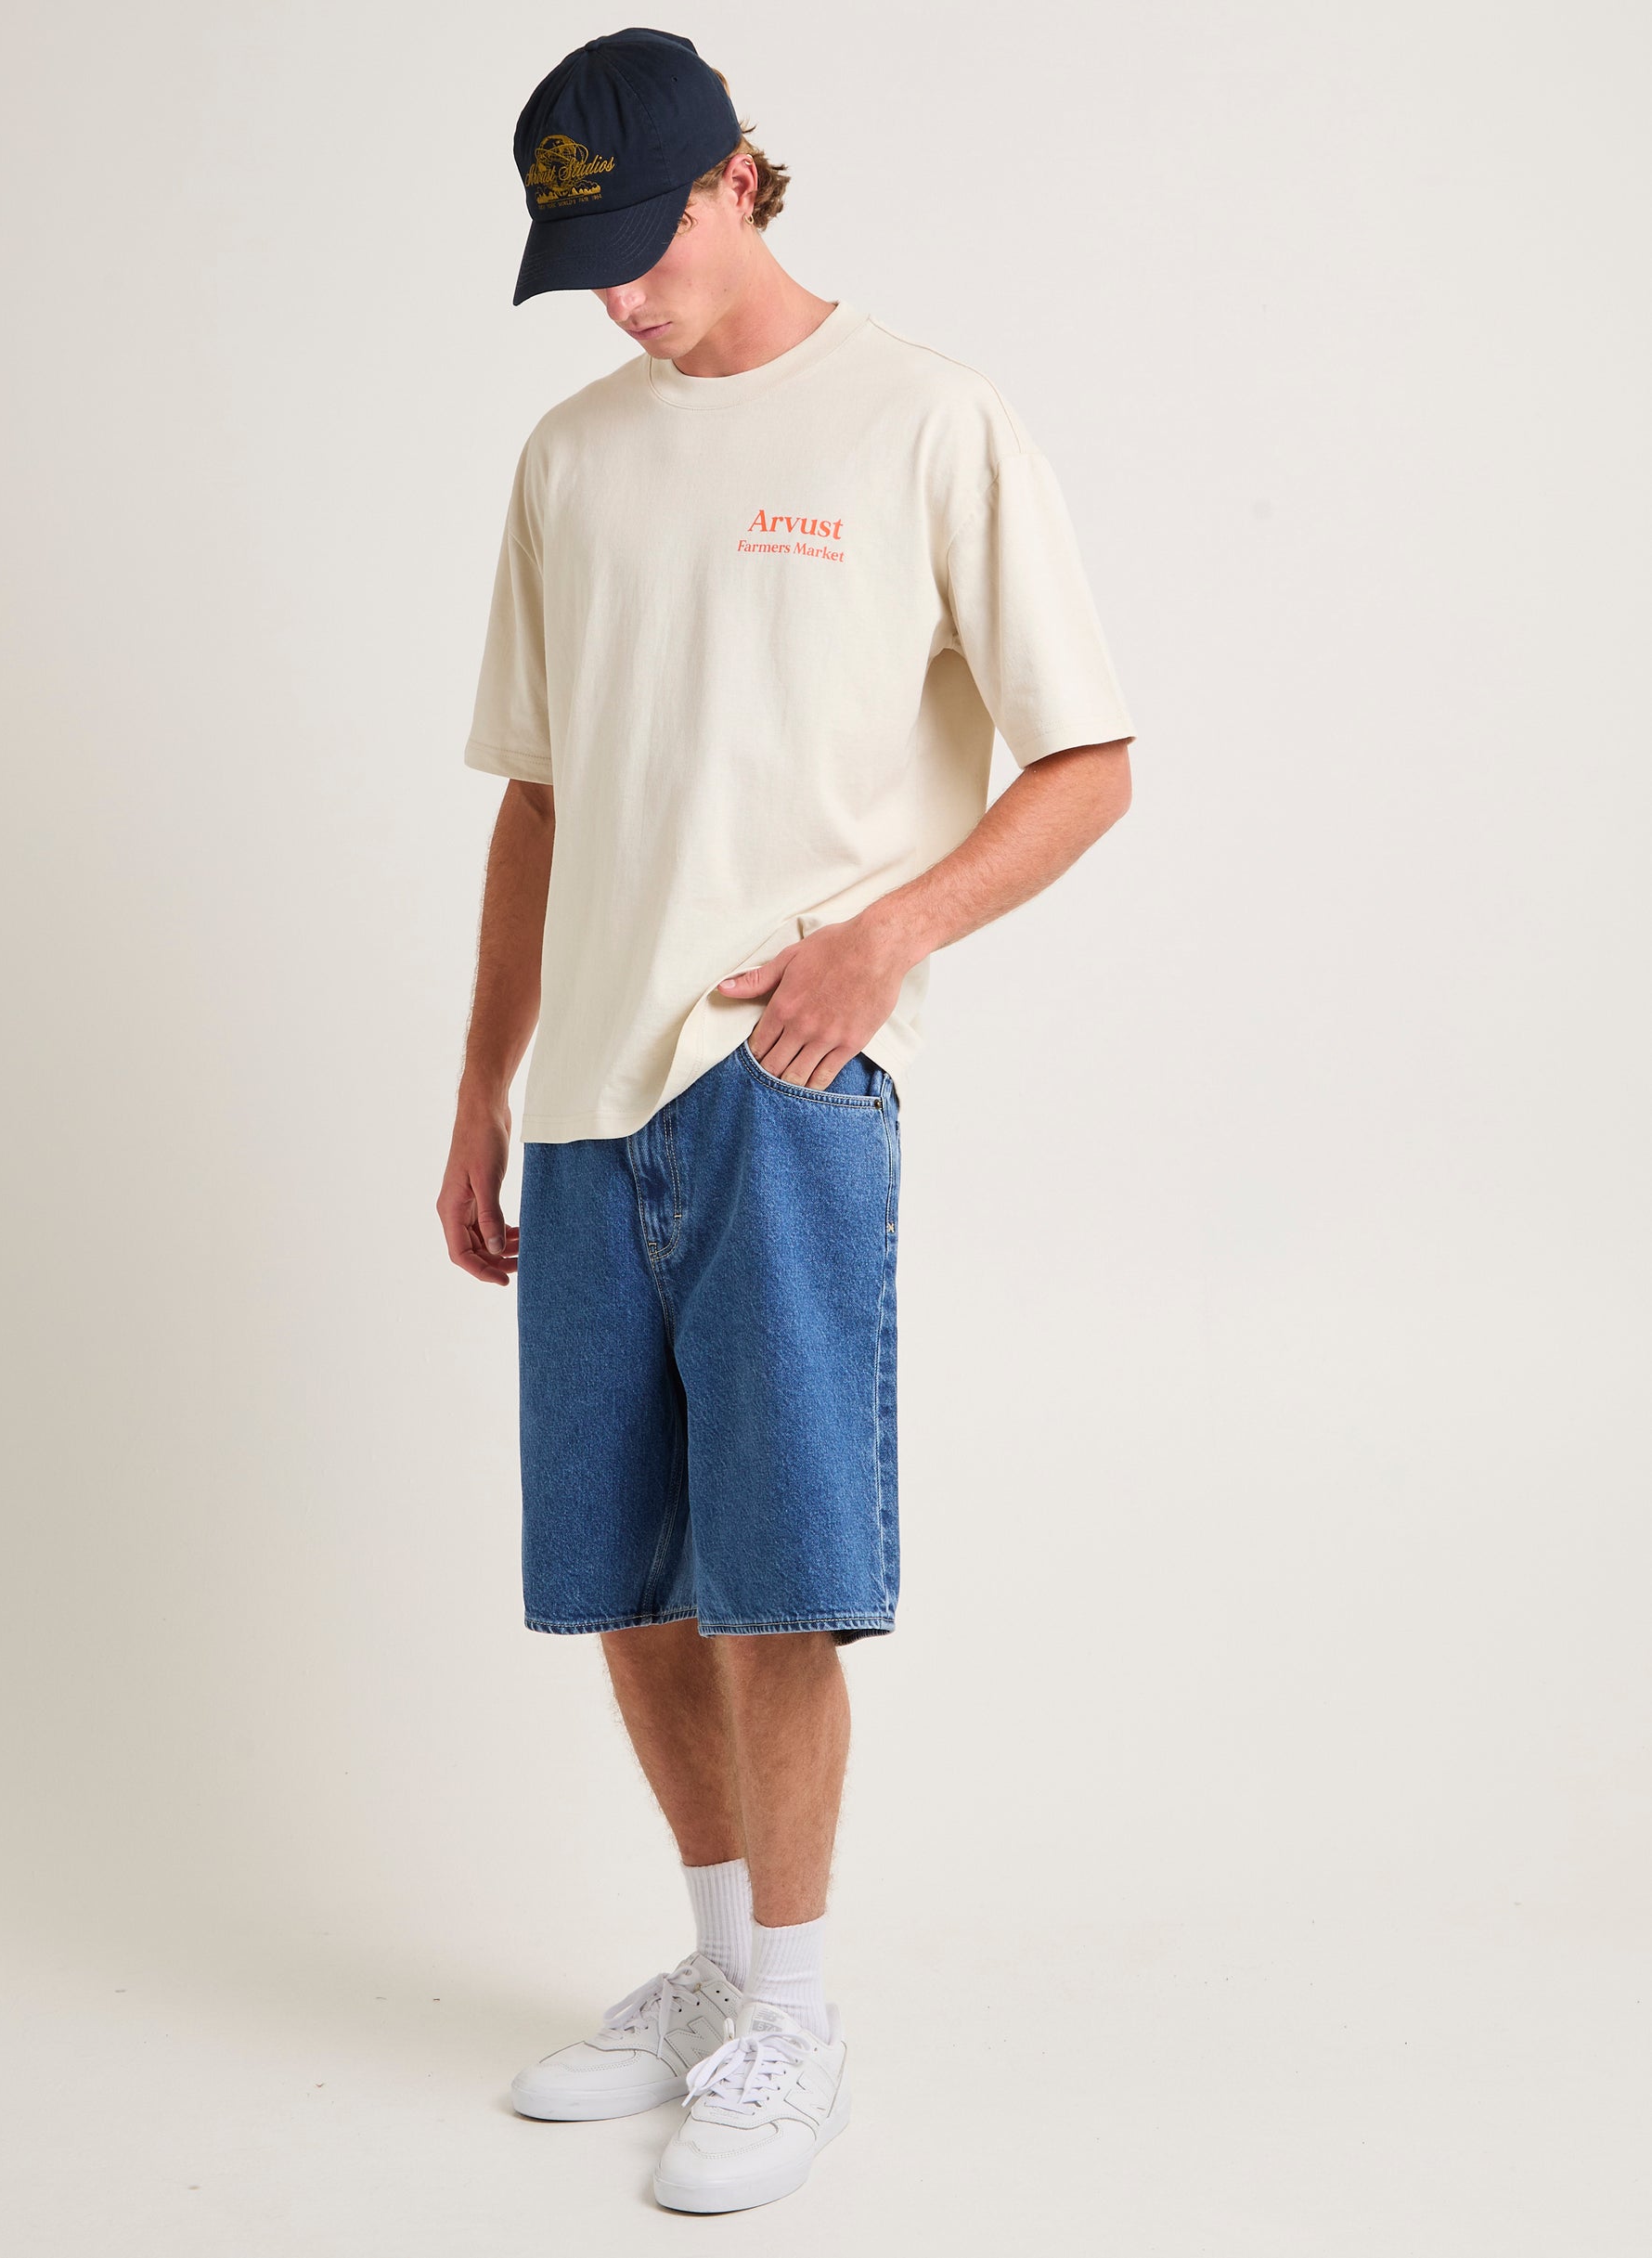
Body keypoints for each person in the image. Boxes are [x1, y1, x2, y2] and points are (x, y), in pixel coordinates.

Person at [438, 27, 1135, 2215]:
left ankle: (802, 2017)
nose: (620, 297)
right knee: (627, 1586)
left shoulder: (926, 419)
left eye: (644, 245)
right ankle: (726, 1969)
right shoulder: (569, 458)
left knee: (770, 1584)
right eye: (582, 266)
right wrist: (478, 1082)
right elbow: (538, 799)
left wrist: (880, 943)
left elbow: (1086, 760)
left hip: (780, 1080)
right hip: (583, 1097)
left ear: (738, 179)